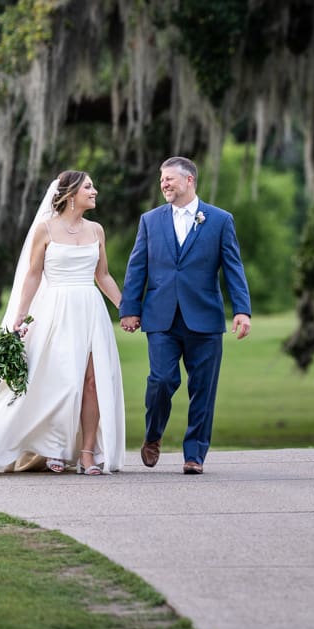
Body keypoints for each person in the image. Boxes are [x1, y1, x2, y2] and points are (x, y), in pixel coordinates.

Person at [0, 171, 127, 476]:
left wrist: (126, 308)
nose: (95, 191)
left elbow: (103, 275)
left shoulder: (96, 230)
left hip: (90, 310)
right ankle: (55, 448)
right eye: (88, 186)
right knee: (62, 379)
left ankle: (87, 453)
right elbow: (33, 274)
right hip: (56, 311)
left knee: (92, 382)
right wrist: (20, 313)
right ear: (70, 194)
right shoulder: (45, 230)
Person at [119, 156, 251, 475]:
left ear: (189, 180)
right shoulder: (150, 220)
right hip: (161, 318)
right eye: (161, 179)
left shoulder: (219, 220)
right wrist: (130, 309)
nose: (163, 183)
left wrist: (242, 310)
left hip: (204, 318)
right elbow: (138, 267)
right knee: (162, 380)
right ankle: (153, 435)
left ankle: (195, 455)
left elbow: (233, 267)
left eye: (169, 179)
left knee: (203, 389)